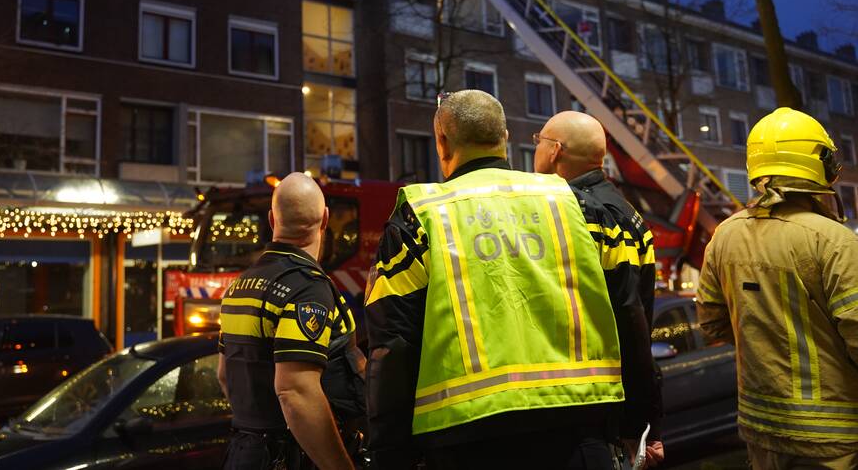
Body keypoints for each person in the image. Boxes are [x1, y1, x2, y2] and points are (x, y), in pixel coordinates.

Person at [364, 90, 629, 469]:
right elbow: (625, 307)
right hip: (578, 428)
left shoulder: (419, 215)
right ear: (505, 138)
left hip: (466, 439)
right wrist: (634, 419)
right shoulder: (571, 202)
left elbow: (391, 347)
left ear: (442, 142)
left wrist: (389, 455)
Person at [696, 107, 858, 470]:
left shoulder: (725, 235)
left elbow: (712, 324)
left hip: (760, 429)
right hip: (834, 439)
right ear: (815, 163)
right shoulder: (833, 240)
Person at [534, 111, 665, 468]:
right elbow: (641, 317)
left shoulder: (576, 213)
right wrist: (645, 420)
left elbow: (628, 316)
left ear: (555, 151)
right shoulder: (629, 213)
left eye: (538, 141)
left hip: (580, 406)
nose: (536, 150)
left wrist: (638, 421)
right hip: (615, 402)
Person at [217, 173, 355, 470]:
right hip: (289, 457)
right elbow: (295, 391)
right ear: (326, 219)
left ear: (271, 219)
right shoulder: (308, 287)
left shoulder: (238, 287)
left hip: (244, 453)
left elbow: (225, 376)